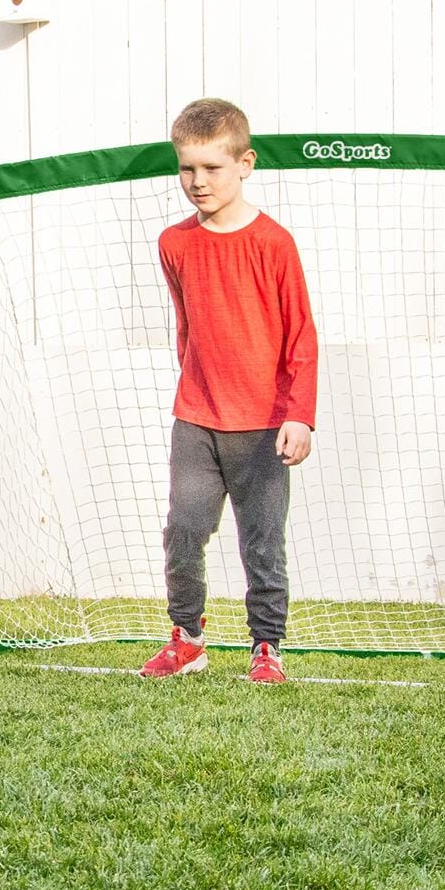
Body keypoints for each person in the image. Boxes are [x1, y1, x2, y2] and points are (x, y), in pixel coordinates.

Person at [142, 97, 317, 686]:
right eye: (187, 168)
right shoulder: (174, 243)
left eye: (212, 168)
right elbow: (187, 327)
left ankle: (266, 646)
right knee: (184, 530)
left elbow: (301, 335)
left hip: (264, 425)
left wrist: (300, 415)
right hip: (196, 420)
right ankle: (187, 639)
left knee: (262, 542)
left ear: (245, 164)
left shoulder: (274, 243)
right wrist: (196, 389)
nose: (198, 181)